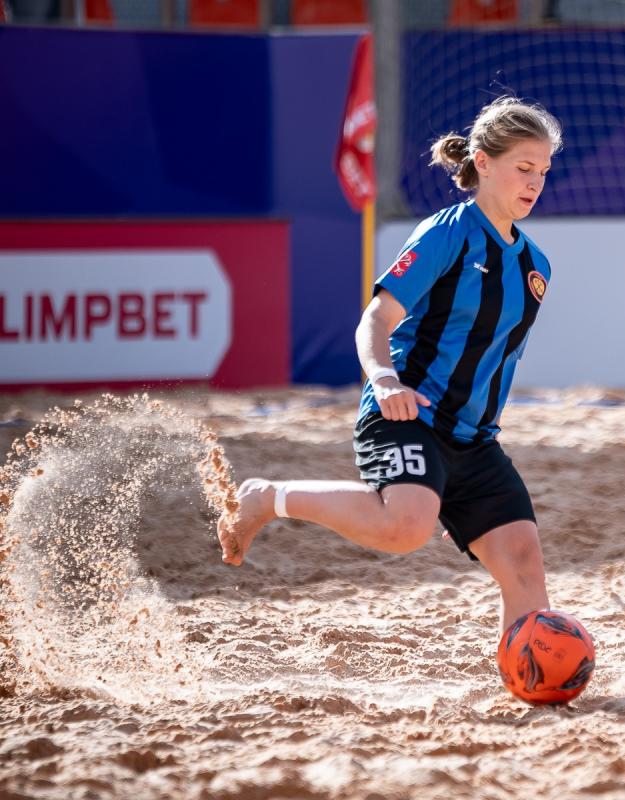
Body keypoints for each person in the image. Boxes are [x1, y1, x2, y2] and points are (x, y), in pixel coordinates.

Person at [218, 96, 562, 633]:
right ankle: (266, 497)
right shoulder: (447, 233)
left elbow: (495, 363)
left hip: (474, 443)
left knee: (524, 565)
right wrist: (383, 380)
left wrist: (454, 489)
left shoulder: (536, 265)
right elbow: (375, 320)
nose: (535, 182)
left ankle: (532, 675)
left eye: (543, 170)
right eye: (524, 168)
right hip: (408, 411)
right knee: (405, 528)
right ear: (483, 162)